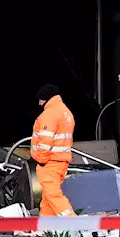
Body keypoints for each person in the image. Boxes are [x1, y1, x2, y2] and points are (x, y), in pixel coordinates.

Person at [32, 83, 76, 217]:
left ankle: (76, 225)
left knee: (53, 196)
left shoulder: (49, 114)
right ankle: (45, 230)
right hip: (60, 161)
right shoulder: (66, 112)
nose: (39, 104)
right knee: (48, 200)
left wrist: (41, 160)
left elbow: (46, 141)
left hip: (49, 162)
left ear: (45, 98)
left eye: (40, 100)